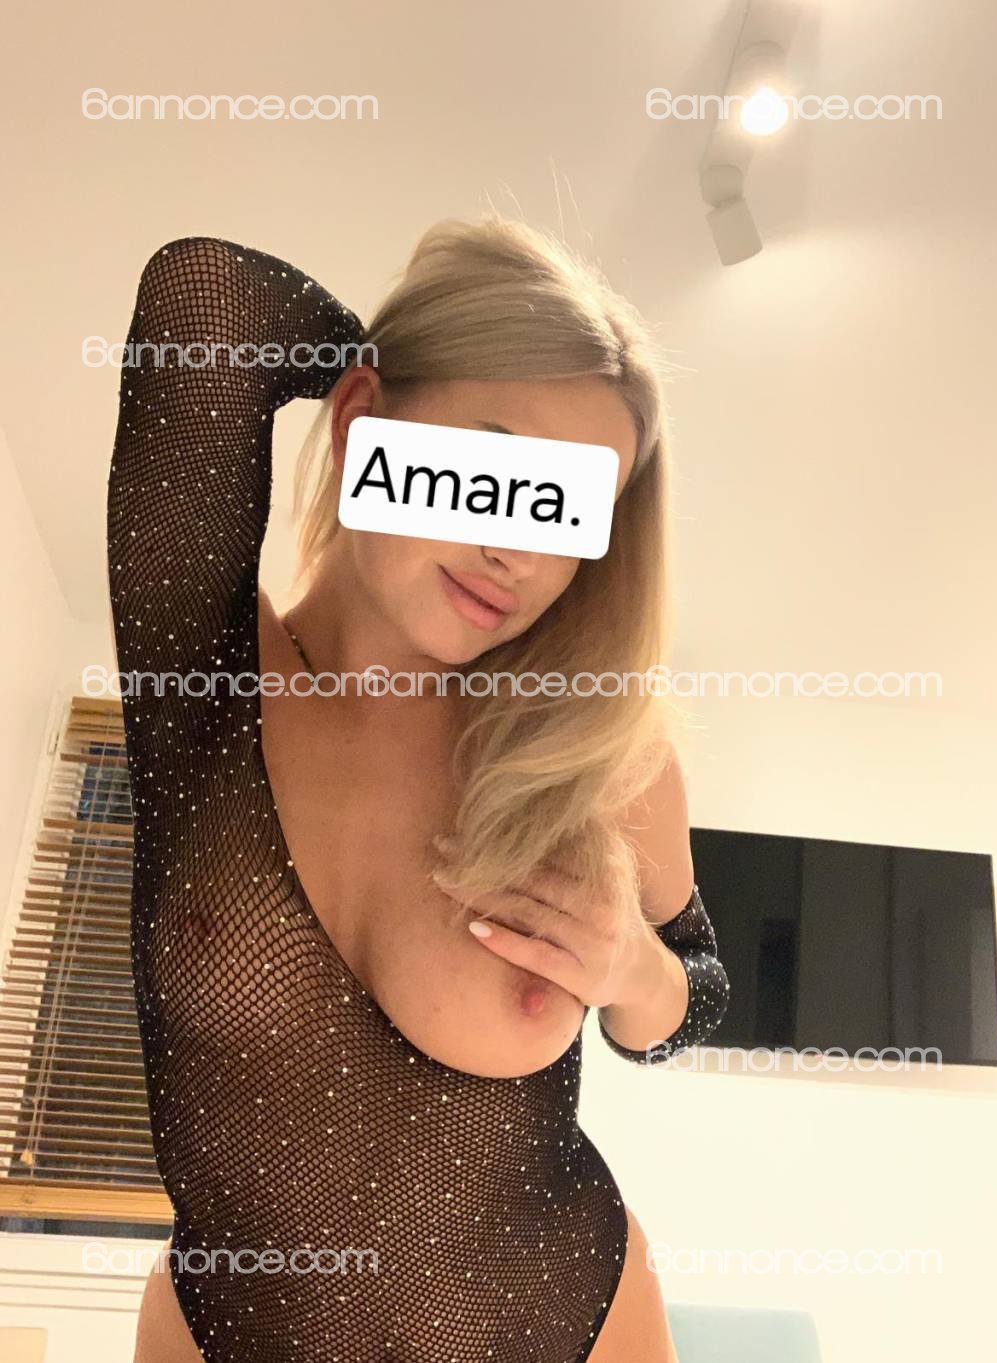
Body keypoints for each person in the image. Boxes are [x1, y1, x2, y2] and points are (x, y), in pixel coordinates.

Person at [109, 224, 729, 1363]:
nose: (517, 552)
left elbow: (696, 991)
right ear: (360, 423)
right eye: (493, 471)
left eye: (567, 509)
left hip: (564, 1323)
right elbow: (207, 300)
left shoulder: (589, 747)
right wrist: (403, 349)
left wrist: (631, 970)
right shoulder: (203, 681)